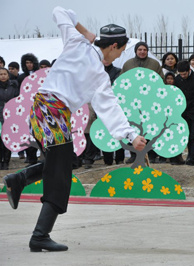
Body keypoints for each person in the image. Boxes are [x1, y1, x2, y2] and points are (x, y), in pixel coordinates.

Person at [2, 7, 146, 252]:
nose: (121, 55)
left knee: (63, 163)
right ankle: (39, 235)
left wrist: (131, 135)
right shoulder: (90, 60)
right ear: (113, 46)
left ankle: (19, 179)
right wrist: (132, 136)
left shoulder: (78, 45)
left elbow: (60, 12)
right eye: (122, 50)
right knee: (60, 174)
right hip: (52, 113)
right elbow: (110, 109)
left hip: (42, 110)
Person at [121, 41, 164, 164]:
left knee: (150, 127)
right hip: (132, 103)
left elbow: (160, 80)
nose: (142, 51)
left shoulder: (154, 64)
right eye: (140, 49)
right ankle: (134, 154)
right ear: (136, 51)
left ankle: (150, 154)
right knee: (133, 126)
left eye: (144, 49)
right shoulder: (128, 64)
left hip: (150, 102)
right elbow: (122, 81)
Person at [174, 60, 194, 165]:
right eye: (180, 74)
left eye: (184, 74)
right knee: (186, 135)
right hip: (183, 112)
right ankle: (189, 156)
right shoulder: (177, 80)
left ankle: (193, 158)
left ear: (189, 70)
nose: (183, 76)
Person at [102, 61, 126, 165]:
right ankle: (108, 159)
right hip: (102, 105)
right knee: (105, 131)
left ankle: (120, 158)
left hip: (117, 104)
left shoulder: (118, 71)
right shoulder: (98, 71)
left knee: (119, 129)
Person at [20, 53, 40, 165]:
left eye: (31, 62)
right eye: (26, 63)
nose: (29, 65)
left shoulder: (39, 75)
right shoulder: (21, 77)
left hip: (38, 108)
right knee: (27, 134)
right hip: (25, 109)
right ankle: (31, 158)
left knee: (38, 134)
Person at [0, 68, 19, 169]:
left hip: (10, 116)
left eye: (4, 74)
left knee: (7, 139)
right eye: (0, 74)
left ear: (8, 75)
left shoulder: (14, 86)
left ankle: (6, 161)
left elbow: (18, 99)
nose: (2, 76)